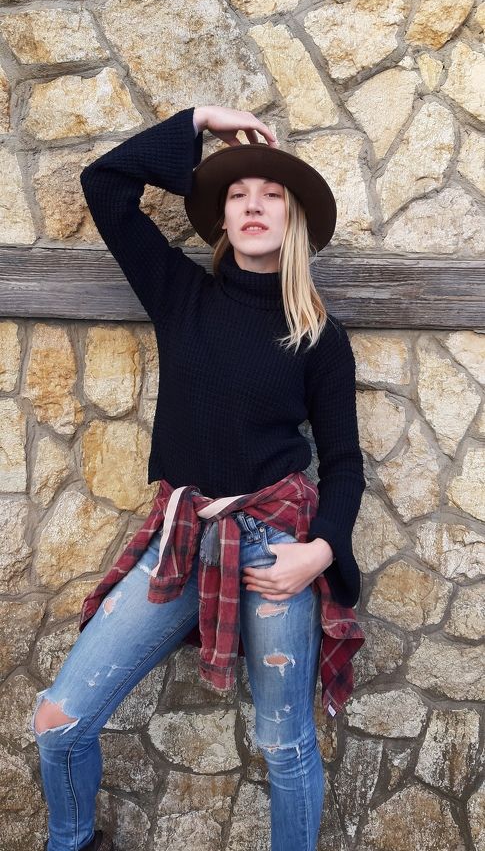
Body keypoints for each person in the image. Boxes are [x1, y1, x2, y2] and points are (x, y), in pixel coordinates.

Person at [31, 105, 366, 851]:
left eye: (271, 195)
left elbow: (344, 463)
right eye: (238, 193)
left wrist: (319, 553)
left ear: (294, 220)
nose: (253, 204)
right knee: (58, 721)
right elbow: (105, 184)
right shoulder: (180, 294)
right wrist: (200, 120)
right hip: (181, 540)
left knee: (284, 747)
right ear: (221, 217)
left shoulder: (318, 337)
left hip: (274, 550)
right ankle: (72, 841)